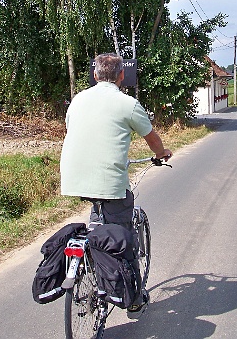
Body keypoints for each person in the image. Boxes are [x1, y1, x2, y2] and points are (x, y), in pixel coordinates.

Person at [60, 52, 172, 313]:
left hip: (73, 178)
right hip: (110, 183)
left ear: (95, 75)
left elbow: (74, 129)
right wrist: (161, 153)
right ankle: (133, 298)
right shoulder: (128, 104)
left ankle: (95, 263)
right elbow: (151, 137)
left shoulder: (77, 100)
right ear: (122, 75)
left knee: (99, 219)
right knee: (125, 239)